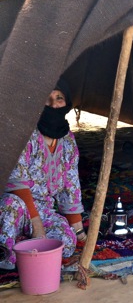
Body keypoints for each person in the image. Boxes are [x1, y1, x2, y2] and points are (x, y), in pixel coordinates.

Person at [0, 80, 85, 270]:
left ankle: (22, 245)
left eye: (59, 98)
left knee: (66, 242)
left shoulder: (68, 140)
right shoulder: (25, 135)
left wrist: (78, 231)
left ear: (67, 103)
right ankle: (9, 252)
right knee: (8, 207)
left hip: (45, 210)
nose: (54, 105)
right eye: (47, 100)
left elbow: (70, 185)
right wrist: (37, 227)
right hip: (18, 207)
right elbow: (16, 181)